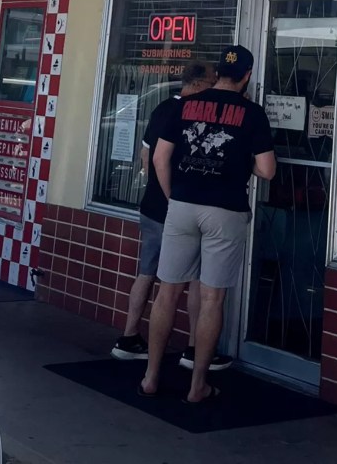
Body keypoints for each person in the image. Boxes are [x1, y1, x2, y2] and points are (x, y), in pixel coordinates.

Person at [140, 45, 275, 404]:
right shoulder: (252, 113)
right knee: (212, 298)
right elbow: (267, 170)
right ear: (247, 76)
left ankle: (151, 376)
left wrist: (172, 196)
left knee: (167, 291)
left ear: (217, 74)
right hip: (225, 210)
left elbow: (159, 157)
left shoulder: (184, 106)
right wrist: (241, 162)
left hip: (182, 205)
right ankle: (197, 384)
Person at [111, 61, 231, 371]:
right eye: (213, 82)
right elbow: (163, 160)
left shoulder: (162, 108)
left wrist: (155, 188)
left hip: (151, 206)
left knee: (147, 272)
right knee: (194, 279)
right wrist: (173, 197)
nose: (216, 87)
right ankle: (194, 350)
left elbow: (146, 156)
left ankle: (128, 338)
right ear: (198, 83)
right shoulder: (191, 113)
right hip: (179, 207)